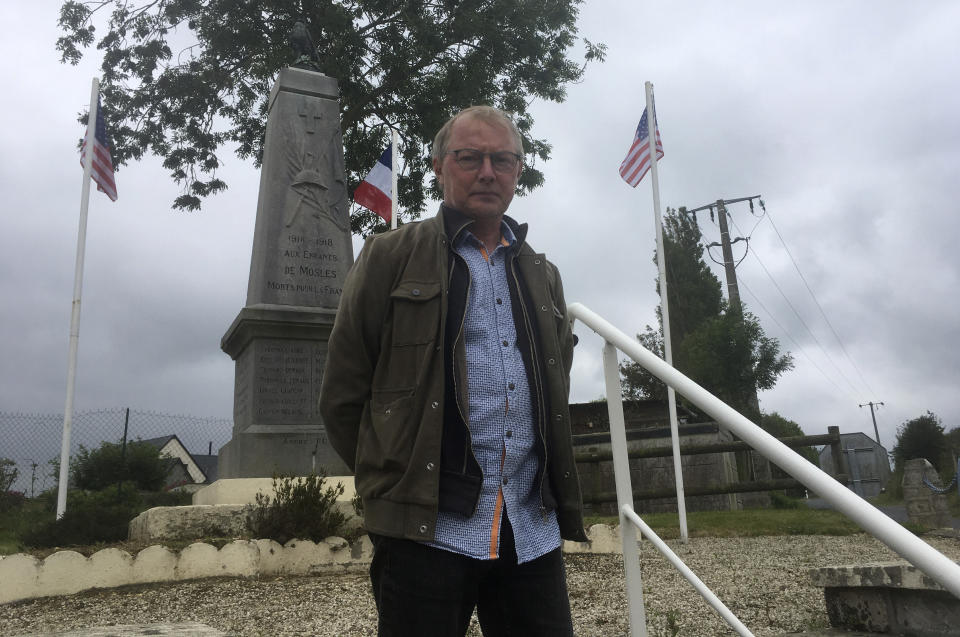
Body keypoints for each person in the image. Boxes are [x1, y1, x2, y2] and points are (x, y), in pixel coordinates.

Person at [319, 105, 587, 637]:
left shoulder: (543, 274)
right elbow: (344, 395)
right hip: (426, 532)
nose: (488, 172)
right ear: (440, 166)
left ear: (517, 172)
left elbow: (557, 380)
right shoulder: (388, 257)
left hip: (529, 527)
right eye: (470, 158)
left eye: (503, 160)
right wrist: (393, 478)